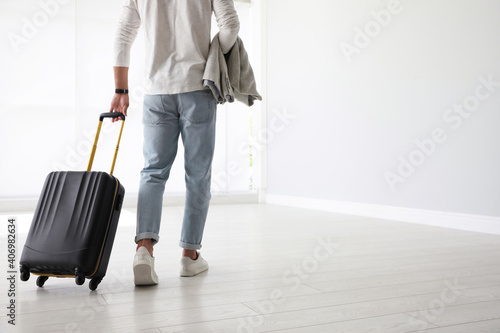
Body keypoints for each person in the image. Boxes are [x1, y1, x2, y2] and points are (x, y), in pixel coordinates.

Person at [110, 0, 240, 286]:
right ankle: (189, 256)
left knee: (153, 172)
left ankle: (143, 250)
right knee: (198, 175)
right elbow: (230, 26)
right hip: (198, 89)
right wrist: (215, 55)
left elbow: (123, 35)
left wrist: (121, 90)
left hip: (157, 92)